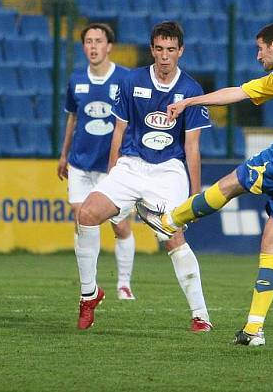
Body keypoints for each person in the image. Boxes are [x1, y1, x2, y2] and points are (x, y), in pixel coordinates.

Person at [136, 22, 273, 346]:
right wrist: (188, 103)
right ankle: (254, 329)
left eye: (260, 48)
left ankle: (169, 221)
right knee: (272, 237)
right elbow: (237, 92)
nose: (257, 55)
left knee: (233, 182)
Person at [74, 21, 213, 332]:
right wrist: (113, 174)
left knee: (171, 236)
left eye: (171, 50)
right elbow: (118, 131)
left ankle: (201, 315)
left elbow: (192, 148)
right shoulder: (132, 81)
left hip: (168, 170)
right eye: (159, 49)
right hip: (131, 165)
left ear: (181, 51)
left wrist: (195, 196)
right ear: (152, 50)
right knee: (86, 214)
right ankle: (89, 295)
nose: (165, 56)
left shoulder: (191, 90)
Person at [58, 23, 136, 301]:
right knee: (82, 223)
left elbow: (133, 122)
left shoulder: (125, 80)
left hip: (111, 168)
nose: (93, 46)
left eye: (98, 41)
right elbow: (73, 118)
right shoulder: (76, 80)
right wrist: (63, 154)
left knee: (121, 226)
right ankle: (89, 287)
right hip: (80, 163)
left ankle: (124, 283)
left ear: (109, 46)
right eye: (88, 41)